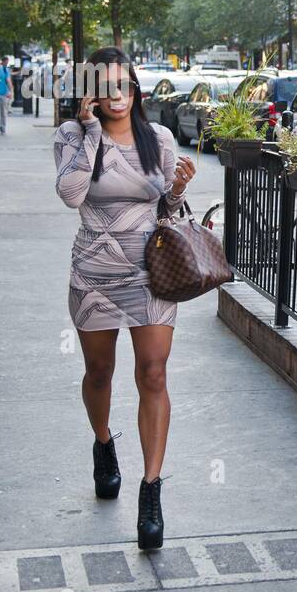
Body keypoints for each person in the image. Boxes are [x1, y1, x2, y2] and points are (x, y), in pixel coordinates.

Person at [53, 46, 197, 550]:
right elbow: (71, 194)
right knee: (99, 373)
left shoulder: (158, 137)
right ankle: (103, 443)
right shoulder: (71, 136)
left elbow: (168, 210)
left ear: (136, 90)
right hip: (94, 273)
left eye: (126, 86)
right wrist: (91, 131)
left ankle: (151, 491)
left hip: (150, 273)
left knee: (153, 373)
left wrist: (178, 189)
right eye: (107, 87)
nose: (118, 96)